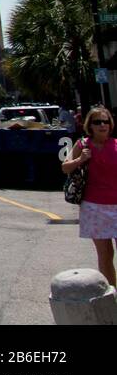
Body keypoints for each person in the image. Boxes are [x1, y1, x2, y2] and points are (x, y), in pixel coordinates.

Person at [63, 107, 117, 285]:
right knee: (105, 254)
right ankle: (112, 295)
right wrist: (81, 160)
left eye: (106, 121)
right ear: (90, 126)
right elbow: (65, 167)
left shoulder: (116, 145)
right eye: (97, 122)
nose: (102, 125)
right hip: (94, 207)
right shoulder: (82, 144)